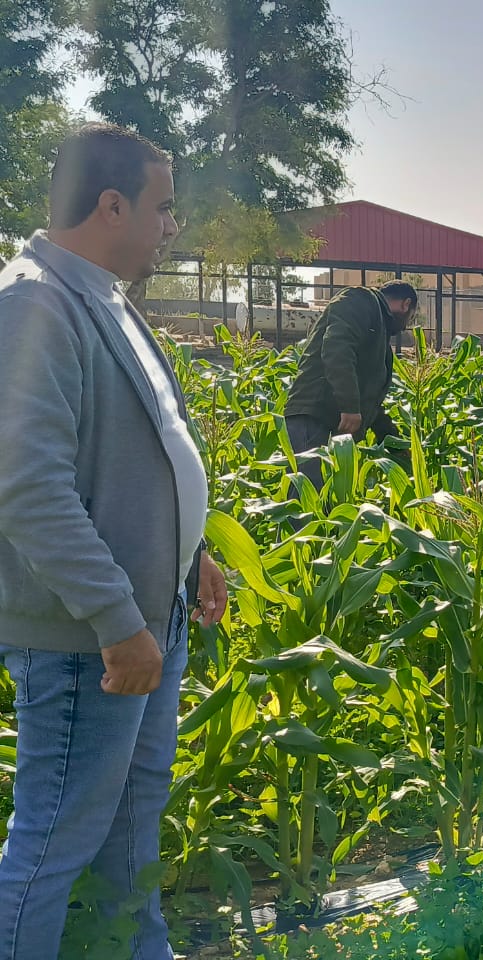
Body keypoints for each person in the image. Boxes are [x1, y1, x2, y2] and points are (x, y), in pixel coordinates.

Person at [0, 122, 228, 959]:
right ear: (110, 204)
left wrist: (186, 552)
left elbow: (136, 450)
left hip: (146, 615)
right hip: (90, 640)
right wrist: (114, 617)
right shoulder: (33, 301)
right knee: (52, 846)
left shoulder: (102, 295)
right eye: (163, 209)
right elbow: (27, 489)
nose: (172, 227)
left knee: (132, 826)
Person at [283, 279, 418, 489]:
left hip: (328, 424)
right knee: (305, 501)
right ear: (406, 304)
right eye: (411, 318)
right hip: (312, 416)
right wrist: (349, 407)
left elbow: (370, 403)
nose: (406, 325)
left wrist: (395, 444)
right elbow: (337, 348)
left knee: (324, 505)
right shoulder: (361, 299)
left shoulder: (378, 334)